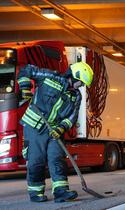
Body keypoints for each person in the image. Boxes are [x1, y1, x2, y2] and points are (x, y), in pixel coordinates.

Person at [18, 62, 94, 203]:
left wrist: (61, 128)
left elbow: (72, 116)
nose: (81, 86)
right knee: (36, 160)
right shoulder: (50, 77)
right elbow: (26, 70)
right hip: (34, 126)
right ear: (74, 76)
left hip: (54, 130)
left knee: (57, 159)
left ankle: (61, 191)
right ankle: (36, 192)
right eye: (81, 82)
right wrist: (25, 88)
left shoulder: (76, 96)